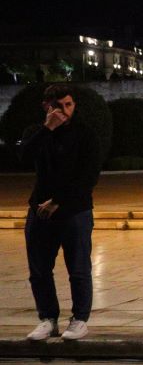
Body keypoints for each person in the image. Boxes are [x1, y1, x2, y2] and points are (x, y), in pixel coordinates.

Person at [22, 84, 101, 342]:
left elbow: (87, 176)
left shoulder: (85, 133)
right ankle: (47, 318)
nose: (64, 111)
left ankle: (79, 319)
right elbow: (22, 157)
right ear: (47, 107)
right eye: (58, 106)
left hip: (74, 211)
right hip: (40, 210)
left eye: (69, 105)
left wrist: (58, 201)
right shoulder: (39, 132)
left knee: (78, 267)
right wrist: (48, 129)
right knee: (39, 269)